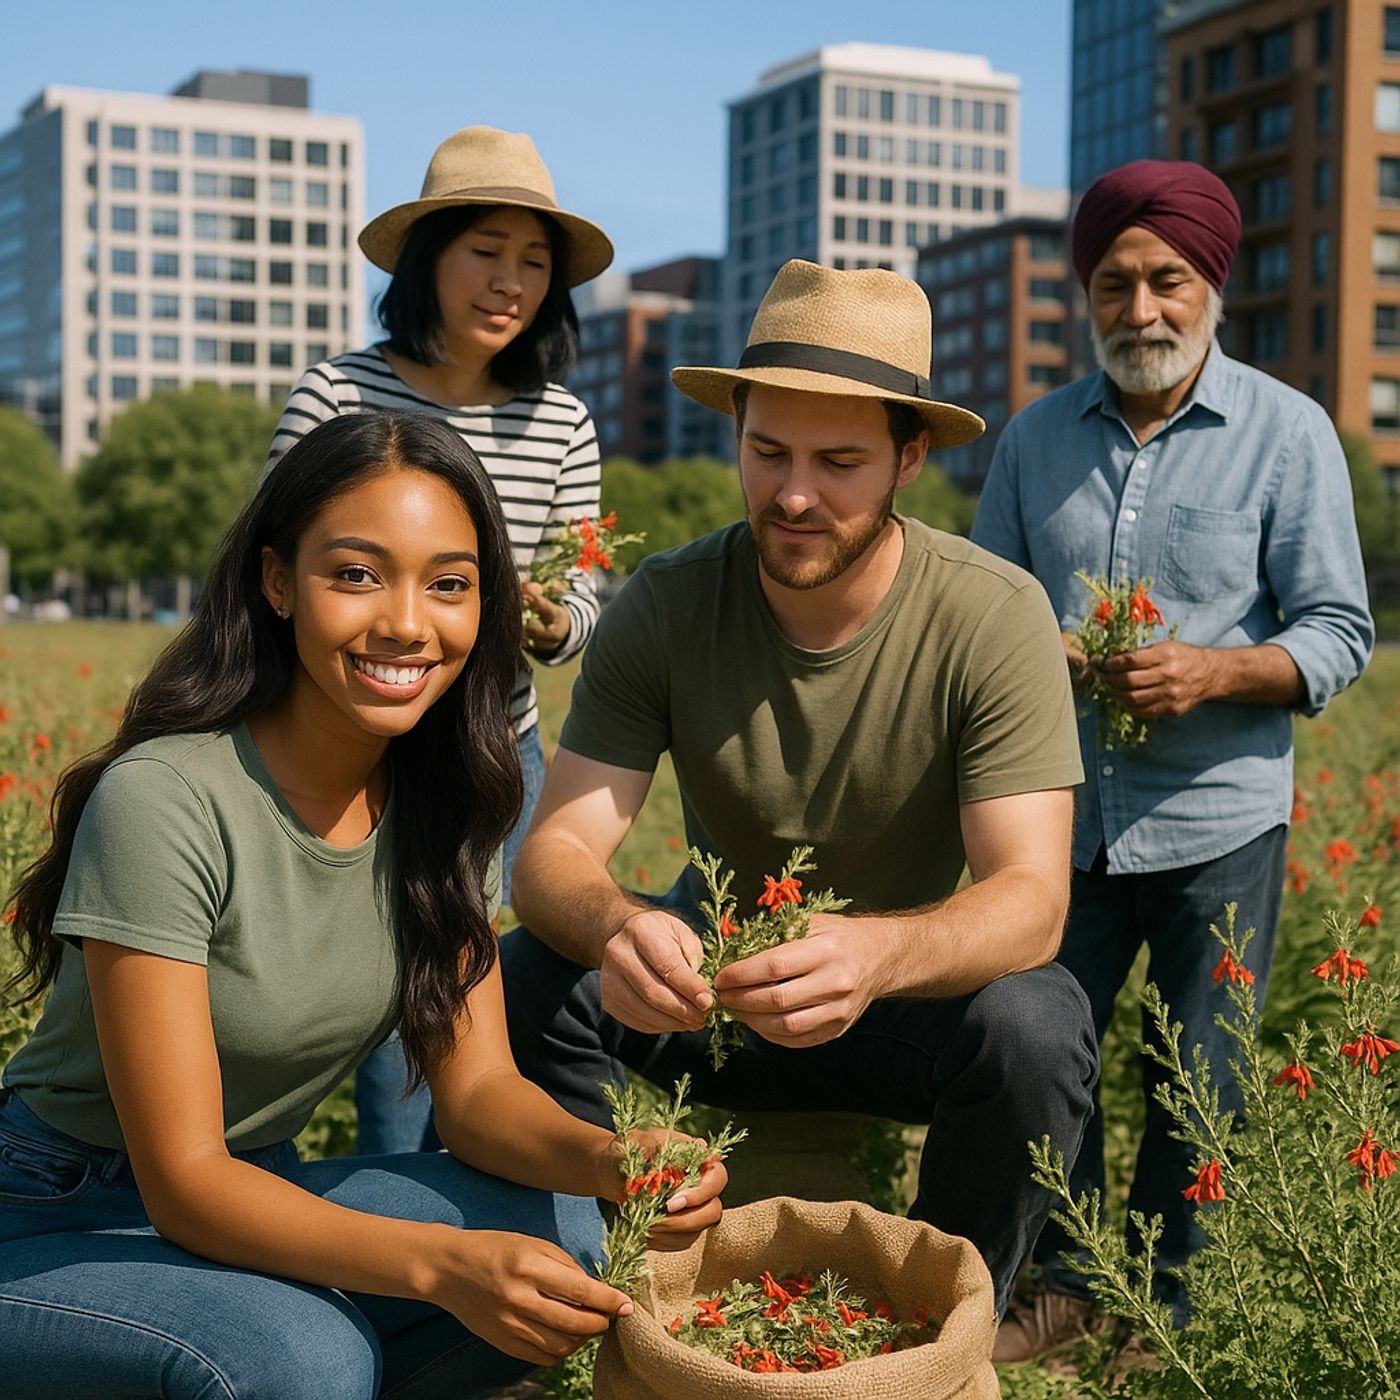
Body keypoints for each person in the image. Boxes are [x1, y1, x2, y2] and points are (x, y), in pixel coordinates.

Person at [0, 413, 725, 1400]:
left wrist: (611, 1157)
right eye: (355, 573)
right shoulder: (166, 800)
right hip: (51, 1212)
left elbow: (475, 1098)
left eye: (449, 583)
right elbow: (184, 1179)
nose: (405, 622)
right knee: (300, 1352)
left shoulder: (441, 808)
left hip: (250, 1184)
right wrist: (436, 1264)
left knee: (565, 1229)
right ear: (276, 581)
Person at [498, 258, 1099, 1319]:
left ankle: (943, 1315)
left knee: (1037, 1023)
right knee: (523, 972)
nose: (791, 493)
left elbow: (1030, 898)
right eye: (765, 450)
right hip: (711, 991)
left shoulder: (994, 614)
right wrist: (619, 928)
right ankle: (587, 1279)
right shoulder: (667, 601)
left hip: (893, 1004)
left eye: (838, 461)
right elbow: (552, 856)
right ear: (733, 430)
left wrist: (874, 951)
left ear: (910, 455)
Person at [970, 159, 1375, 1360]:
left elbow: (1337, 632)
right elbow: (984, 614)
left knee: (1202, 1075)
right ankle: (1061, 1288)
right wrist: (1040, 646)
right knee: (1051, 1058)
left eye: (1164, 281)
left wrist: (1211, 669)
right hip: (1058, 819)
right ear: (1083, 293)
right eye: (1111, 284)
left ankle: (1167, 1310)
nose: (1138, 309)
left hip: (1218, 816)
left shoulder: (1287, 434)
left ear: (1210, 285)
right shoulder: (1033, 440)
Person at [266, 125, 614, 1153]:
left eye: (534, 261)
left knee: (472, 998)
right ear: (428, 260)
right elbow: (276, 574)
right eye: (485, 250)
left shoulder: (562, 420)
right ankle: (383, 1225)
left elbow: (584, 585)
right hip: (351, 745)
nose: (510, 281)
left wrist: (554, 615)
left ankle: (461, 1224)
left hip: (491, 743)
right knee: (378, 1007)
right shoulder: (338, 393)